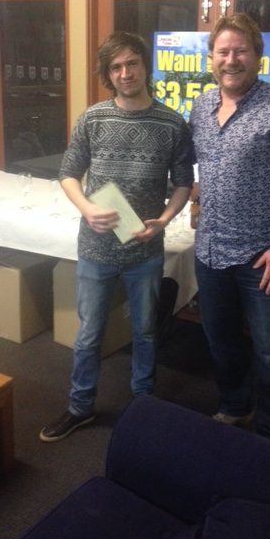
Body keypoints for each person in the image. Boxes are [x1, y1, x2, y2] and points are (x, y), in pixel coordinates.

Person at [40, 31, 194, 442]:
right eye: (116, 67)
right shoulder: (92, 118)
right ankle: (80, 407)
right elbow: (68, 173)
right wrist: (87, 208)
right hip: (96, 249)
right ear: (108, 74)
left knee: (145, 331)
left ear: (145, 66)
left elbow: (183, 183)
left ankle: (143, 404)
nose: (126, 73)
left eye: (132, 63)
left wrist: (164, 220)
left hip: (145, 248)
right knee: (89, 333)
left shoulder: (172, 123)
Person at [189, 14, 270, 443]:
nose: (231, 59)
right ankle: (235, 406)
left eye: (240, 51)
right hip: (209, 253)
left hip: (261, 259)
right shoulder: (201, 107)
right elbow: (202, 170)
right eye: (223, 51)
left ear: (258, 56)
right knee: (221, 342)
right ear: (212, 58)